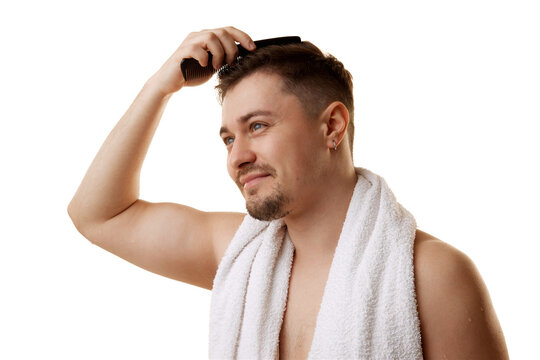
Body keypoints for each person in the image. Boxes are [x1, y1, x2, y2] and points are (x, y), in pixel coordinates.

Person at [68, 26, 509, 359]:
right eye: (227, 138)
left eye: (257, 126)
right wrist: (160, 86)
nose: (236, 157)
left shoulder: (433, 276)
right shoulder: (239, 254)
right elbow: (98, 215)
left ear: (332, 126)